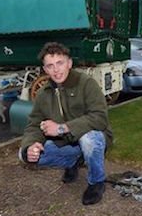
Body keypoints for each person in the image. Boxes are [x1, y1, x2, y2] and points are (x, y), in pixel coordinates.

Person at [18, 42, 112, 205]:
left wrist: (62, 128)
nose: (56, 70)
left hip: (94, 137)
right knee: (24, 155)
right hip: (67, 144)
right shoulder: (43, 94)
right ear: (45, 69)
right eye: (50, 66)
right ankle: (73, 161)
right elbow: (34, 125)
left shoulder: (87, 83)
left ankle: (96, 182)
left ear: (69, 63)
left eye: (60, 63)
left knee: (89, 140)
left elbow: (100, 118)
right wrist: (30, 146)